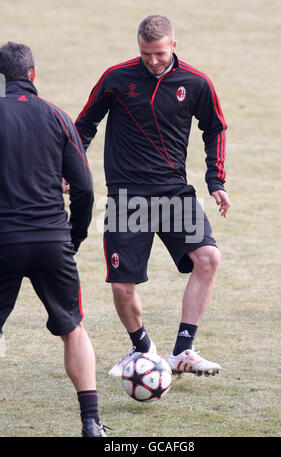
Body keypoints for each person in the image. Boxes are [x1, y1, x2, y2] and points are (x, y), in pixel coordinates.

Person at [75, 14, 231, 378]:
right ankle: (142, 350)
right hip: (127, 196)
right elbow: (83, 125)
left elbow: (215, 128)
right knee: (121, 285)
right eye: (145, 53)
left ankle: (183, 351)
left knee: (208, 258)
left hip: (174, 192)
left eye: (159, 53)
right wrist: (73, 170)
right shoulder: (117, 78)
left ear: (173, 46)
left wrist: (216, 180)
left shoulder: (195, 82)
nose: (152, 60)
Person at [0, 42, 107, 437]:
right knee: (73, 327)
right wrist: (72, 237)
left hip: (4, 241)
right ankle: (91, 421)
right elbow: (84, 189)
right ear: (32, 74)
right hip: (51, 241)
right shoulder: (58, 117)